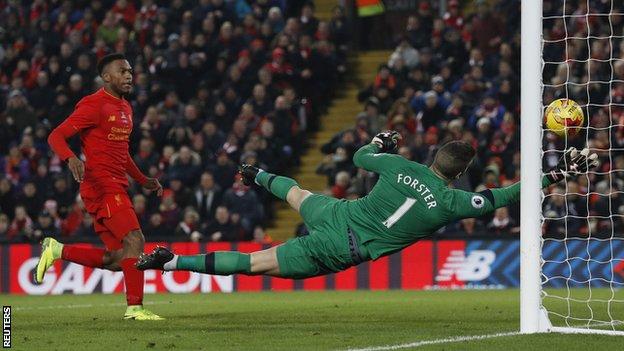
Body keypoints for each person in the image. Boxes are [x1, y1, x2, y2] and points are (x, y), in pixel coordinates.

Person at [137, 131, 598, 280]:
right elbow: (505, 196)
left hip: (340, 212)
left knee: (296, 194)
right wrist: (556, 174)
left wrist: (380, 139)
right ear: (458, 172)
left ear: (433, 156)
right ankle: (173, 259)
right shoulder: (457, 202)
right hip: (349, 245)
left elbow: (360, 157)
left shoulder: (400, 166)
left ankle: (255, 175)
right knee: (256, 263)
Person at [35, 53, 164, 320]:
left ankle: (58, 250)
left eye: (130, 70)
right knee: (135, 240)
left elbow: (122, 152)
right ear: (106, 77)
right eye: (122, 71)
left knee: (117, 259)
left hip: (116, 184)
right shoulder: (94, 105)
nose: (129, 75)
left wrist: (143, 180)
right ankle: (135, 308)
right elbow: (56, 135)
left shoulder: (126, 108)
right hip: (102, 186)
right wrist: (70, 158)